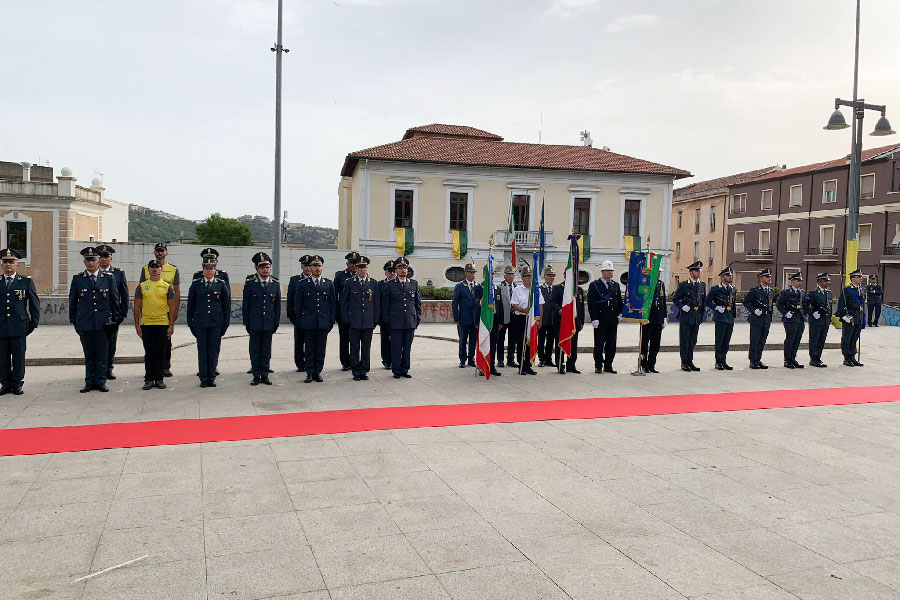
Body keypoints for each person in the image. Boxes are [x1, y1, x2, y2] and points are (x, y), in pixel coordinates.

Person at [69, 247, 119, 393]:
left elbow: (114, 301)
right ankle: (89, 381)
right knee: (89, 354)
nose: (91, 263)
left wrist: (115, 321)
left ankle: (101, 381)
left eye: (94, 260)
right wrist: (74, 321)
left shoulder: (108, 278)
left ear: (98, 261)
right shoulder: (78, 279)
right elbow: (73, 301)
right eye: (88, 260)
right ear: (84, 262)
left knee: (102, 354)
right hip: (85, 323)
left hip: (103, 323)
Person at [0, 249, 39, 395]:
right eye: (5, 262)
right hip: (1, 326)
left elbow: (34, 303)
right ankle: (5, 383)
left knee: (18, 357)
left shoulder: (26, 282)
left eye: (12, 262)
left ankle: (17, 383)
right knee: (2, 357)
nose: (8, 265)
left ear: (17, 265)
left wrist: (33, 322)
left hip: (19, 326)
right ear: (2, 265)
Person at [134, 260, 177, 390]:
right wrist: (137, 326)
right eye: (152, 267)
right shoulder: (141, 286)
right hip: (147, 324)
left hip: (162, 324)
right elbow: (136, 308)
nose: (154, 269)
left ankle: (159, 379)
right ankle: (148, 379)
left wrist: (171, 325)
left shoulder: (167, 286)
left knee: (160, 353)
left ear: (161, 269)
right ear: (148, 270)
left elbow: (172, 307)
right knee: (149, 353)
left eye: (157, 267)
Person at [187, 260, 230, 387]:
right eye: (207, 269)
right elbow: (191, 306)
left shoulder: (221, 285)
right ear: (203, 270)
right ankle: (203, 377)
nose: (209, 271)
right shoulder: (195, 285)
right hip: (200, 324)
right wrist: (191, 323)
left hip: (216, 323)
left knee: (213, 351)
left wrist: (225, 324)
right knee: (202, 351)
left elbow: (226, 306)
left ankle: (211, 377)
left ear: (215, 270)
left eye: (211, 269)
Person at [139, 242, 180, 377]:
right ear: (154, 252)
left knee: (166, 342)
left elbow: (177, 291)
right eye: (158, 251)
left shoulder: (173, 269)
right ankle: (152, 371)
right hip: (150, 312)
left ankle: (165, 367)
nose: (160, 253)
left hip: (167, 310)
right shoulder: (146, 269)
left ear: (166, 253)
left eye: (162, 251)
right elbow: (142, 290)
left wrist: (175, 312)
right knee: (151, 346)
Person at [242, 252, 280, 385]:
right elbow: (246, 304)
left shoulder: (275, 283)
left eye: (267, 267)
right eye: (262, 267)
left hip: (269, 322)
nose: (265, 270)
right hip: (255, 322)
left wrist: (276, 322)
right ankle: (256, 375)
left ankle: (265, 375)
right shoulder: (251, 283)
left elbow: (277, 306)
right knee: (255, 350)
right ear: (257, 269)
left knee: (266, 350)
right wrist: (246, 322)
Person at [297, 255, 336, 383]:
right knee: (309, 348)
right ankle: (309, 372)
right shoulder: (303, 284)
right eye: (314, 266)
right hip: (308, 322)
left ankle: (317, 372)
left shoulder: (328, 284)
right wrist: (300, 322)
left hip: (323, 322)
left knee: (320, 349)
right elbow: (298, 305)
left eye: (319, 266)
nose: (317, 268)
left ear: (322, 267)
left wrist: (330, 321)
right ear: (310, 268)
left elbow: (332, 305)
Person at [381, 257, 422, 378]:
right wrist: (387, 321)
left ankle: (405, 369)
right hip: (395, 322)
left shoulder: (413, 284)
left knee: (407, 347)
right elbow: (385, 305)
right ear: (396, 270)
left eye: (405, 268)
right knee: (396, 347)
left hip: (409, 321)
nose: (403, 270)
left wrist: (417, 318)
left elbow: (417, 303)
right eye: (400, 268)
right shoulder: (390, 285)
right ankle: (396, 370)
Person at [340, 255, 379, 381]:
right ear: (355, 269)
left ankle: (364, 370)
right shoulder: (349, 283)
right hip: (354, 321)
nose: (363, 270)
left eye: (364, 267)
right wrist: (346, 319)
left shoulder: (373, 283)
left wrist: (375, 319)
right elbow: (344, 303)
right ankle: (356, 371)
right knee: (355, 346)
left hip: (368, 320)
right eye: (360, 267)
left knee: (366, 346)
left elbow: (376, 303)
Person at [96, 244, 128, 380]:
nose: (104, 260)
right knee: (96, 344)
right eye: (101, 257)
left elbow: (124, 295)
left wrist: (121, 315)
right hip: (96, 315)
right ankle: (97, 370)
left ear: (111, 258)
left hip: (112, 315)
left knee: (111, 344)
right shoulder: (93, 273)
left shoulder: (118, 273)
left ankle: (108, 368)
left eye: (106, 257)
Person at [588, 260, 623, 374]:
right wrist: (594, 318)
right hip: (601, 319)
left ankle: (608, 365)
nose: (610, 273)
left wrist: (620, 313)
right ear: (602, 272)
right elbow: (591, 303)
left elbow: (618, 301)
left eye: (611, 271)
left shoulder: (615, 285)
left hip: (612, 319)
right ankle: (598, 365)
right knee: (599, 344)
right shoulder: (594, 285)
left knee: (611, 344)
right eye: (608, 271)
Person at [672, 260, 706, 372]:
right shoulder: (683, 285)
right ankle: (684, 361)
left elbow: (703, 301)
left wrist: (701, 315)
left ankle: (690, 361)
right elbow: (675, 299)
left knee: (693, 340)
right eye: (697, 270)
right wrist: (682, 307)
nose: (699, 272)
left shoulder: (702, 285)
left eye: (699, 270)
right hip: (686, 316)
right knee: (685, 339)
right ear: (691, 272)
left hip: (696, 316)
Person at [510, 265, 540, 375]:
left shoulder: (536, 290)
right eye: (526, 276)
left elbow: (540, 304)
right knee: (521, 342)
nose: (528, 278)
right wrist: (524, 310)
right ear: (522, 277)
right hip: (521, 319)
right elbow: (514, 305)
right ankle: (521, 365)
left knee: (530, 343)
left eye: (529, 276)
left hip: (532, 320)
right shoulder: (517, 290)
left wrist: (539, 318)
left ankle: (528, 365)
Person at [743, 268, 775, 369]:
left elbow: (770, 305)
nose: (769, 278)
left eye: (770, 276)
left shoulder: (771, 291)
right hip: (757, 318)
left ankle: (758, 359)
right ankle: (753, 360)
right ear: (761, 278)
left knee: (762, 341)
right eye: (767, 276)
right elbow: (746, 302)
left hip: (766, 318)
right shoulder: (755, 290)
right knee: (755, 340)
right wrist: (754, 310)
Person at [706, 266, 736, 370]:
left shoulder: (732, 289)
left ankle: (724, 360)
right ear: (723, 277)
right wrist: (716, 308)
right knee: (720, 340)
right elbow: (708, 301)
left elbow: (733, 304)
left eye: (731, 275)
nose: (730, 277)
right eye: (728, 275)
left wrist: (733, 315)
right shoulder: (716, 289)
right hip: (720, 317)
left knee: (726, 341)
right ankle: (718, 361)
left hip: (729, 317)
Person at [333, 251, 360, 372]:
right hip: (343, 312)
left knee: (356, 339)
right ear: (347, 263)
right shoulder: (340, 276)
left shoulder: (362, 275)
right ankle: (345, 362)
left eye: (356, 263)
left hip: (357, 313)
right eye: (351, 263)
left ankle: (355, 361)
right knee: (344, 339)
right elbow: (334, 294)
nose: (353, 265)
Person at [451, 263, 481, 368]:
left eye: (474, 272)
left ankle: (471, 359)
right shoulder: (460, 286)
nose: (473, 274)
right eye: (471, 272)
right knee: (463, 340)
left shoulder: (478, 286)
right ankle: (462, 359)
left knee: (473, 341)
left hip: (475, 319)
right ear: (466, 273)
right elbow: (455, 303)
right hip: (463, 319)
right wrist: (456, 319)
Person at [553, 280, 585, 374]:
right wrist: (560, 310)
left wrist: (581, 321)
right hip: (561, 321)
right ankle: (560, 365)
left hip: (574, 322)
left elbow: (581, 306)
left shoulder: (578, 290)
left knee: (573, 345)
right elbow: (553, 302)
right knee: (561, 343)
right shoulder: (558, 288)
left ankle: (571, 365)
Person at [286, 254, 311, 372]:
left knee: (311, 342)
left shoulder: (317, 280)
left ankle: (310, 362)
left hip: (311, 317)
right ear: (301, 266)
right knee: (299, 341)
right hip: (299, 316)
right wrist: (291, 315)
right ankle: (300, 364)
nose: (307, 268)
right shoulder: (295, 280)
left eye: (309, 265)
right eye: (305, 265)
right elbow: (290, 298)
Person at [837, 268, 866, 367]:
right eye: (858, 277)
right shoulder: (847, 290)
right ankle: (847, 358)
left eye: (861, 276)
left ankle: (853, 356)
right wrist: (844, 316)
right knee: (847, 338)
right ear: (852, 278)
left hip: (858, 316)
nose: (861, 278)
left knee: (855, 338)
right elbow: (841, 306)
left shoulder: (861, 290)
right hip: (850, 316)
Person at [777, 273, 806, 369]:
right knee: (790, 339)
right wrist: (786, 313)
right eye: (798, 281)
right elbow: (779, 304)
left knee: (797, 340)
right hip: (790, 319)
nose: (800, 282)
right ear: (792, 281)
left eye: (801, 281)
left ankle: (793, 358)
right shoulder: (786, 292)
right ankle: (787, 360)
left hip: (800, 319)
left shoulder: (802, 292)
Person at [803, 272, 833, 367]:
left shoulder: (829, 293)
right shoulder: (813, 293)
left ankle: (818, 357)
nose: (827, 283)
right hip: (816, 319)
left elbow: (830, 307)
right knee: (814, 339)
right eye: (825, 281)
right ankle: (813, 358)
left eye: (828, 281)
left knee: (822, 340)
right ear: (819, 282)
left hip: (825, 320)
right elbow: (806, 306)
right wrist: (812, 313)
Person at [640, 280, 667, 373]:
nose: (658, 274)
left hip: (658, 318)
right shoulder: (645, 282)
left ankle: (652, 364)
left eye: (659, 272)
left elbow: (663, 301)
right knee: (644, 343)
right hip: (648, 318)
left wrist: (664, 316)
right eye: (657, 272)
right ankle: (643, 364)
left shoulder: (661, 283)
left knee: (655, 344)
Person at [494, 265, 517, 368]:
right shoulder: (499, 287)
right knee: (500, 339)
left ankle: (511, 359)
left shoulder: (517, 287)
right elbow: (498, 305)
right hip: (503, 317)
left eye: (512, 274)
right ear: (505, 276)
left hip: (515, 316)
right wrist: (498, 320)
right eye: (509, 274)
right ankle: (500, 359)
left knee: (513, 339)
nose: (511, 276)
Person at [537, 266, 560, 367]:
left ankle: (549, 358)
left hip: (553, 319)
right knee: (541, 339)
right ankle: (541, 358)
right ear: (545, 277)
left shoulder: (556, 289)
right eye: (549, 276)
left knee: (551, 340)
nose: (551, 278)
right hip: (543, 318)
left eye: (553, 276)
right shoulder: (540, 289)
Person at [378, 260, 395, 370]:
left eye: (394, 271)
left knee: (396, 340)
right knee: (385, 340)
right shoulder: (380, 285)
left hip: (396, 318)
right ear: (386, 273)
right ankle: (386, 360)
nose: (392, 273)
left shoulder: (399, 284)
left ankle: (395, 360)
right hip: (384, 317)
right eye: (390, 271)